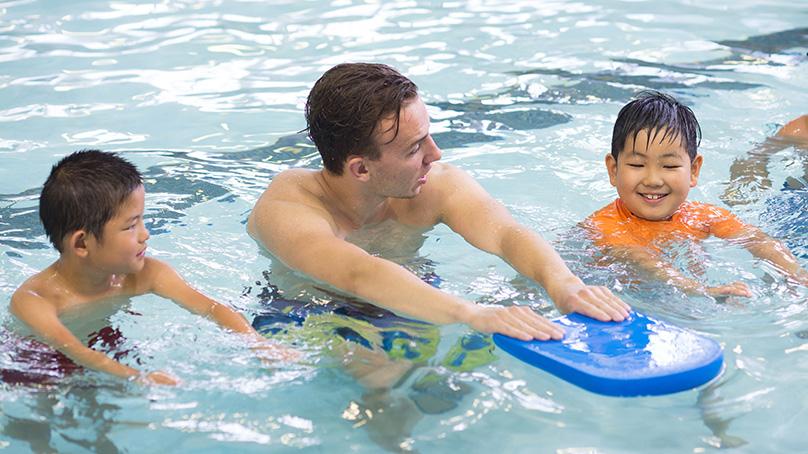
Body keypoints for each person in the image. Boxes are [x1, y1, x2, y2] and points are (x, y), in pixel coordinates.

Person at [247, 62, 630, 345]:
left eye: (428, 136)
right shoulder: (289, 209)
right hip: (306, 307)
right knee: (381, 381)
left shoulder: (432, 185)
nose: (436, 154)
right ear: (361, 168)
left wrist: (563, 283)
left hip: (410, 285)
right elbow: (358, 275)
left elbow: (505, 234)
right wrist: (472, 313)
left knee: (520, 303)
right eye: (415, 148)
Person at [10, 150, 294, 386]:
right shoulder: (36, 300)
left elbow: (211, 308)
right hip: (37, 359)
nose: (145, 234)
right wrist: (139, 377)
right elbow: (75, 351)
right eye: (131, 225)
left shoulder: (145, 275)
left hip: (101, 339)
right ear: (82, 243)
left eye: (142, 220)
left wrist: (257, 343)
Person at [583, 91, 808, 297]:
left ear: (694, 170)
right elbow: (646, 263)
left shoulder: (701, 216)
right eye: (637, 165)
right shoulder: (604, 225)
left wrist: (795, 272)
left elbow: (755, 239)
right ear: (613, 170)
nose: (653, 180)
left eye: (669, 166)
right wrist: (702, 290)